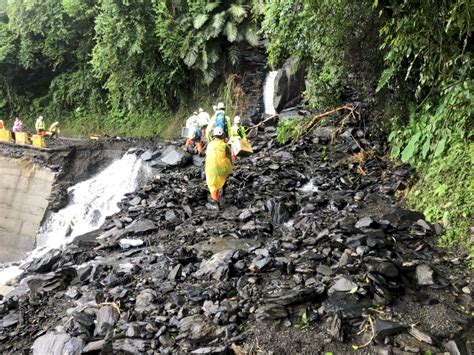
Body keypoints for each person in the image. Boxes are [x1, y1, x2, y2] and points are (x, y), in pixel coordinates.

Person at [205, 126, 233, 204]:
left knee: (213, 184)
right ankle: (223, 193)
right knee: (223, 179)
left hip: (210, 169)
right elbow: (229, 157)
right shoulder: (225, 145)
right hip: (222, 168)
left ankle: (215, 199)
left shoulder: (209, 145)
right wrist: (231, 166)